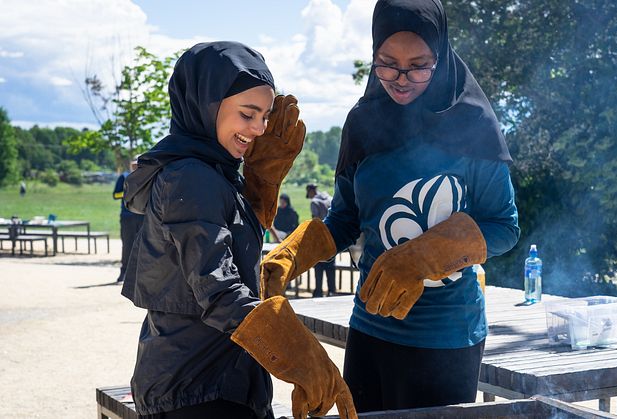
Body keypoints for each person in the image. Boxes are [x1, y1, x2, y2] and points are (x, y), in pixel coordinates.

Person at [261, 0, 519, 413]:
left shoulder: (472, 125)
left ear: (442, 55)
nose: (401, 79)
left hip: (447, 337)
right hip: (370, 327)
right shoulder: (363, 124)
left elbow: (503, 226)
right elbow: (345, 220)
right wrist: (292, 254)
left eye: (419, 65)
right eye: (386, 63)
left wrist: (424, 256)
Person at [121, 41, 356, 419]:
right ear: (206, 105)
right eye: (248, 114)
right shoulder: (190, 176)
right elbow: (220, 291)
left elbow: (232, 251)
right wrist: (301, 354)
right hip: (195, 392)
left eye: (264, 116)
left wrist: (258, 184)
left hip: (215, 380)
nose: (260, 129)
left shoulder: (213, 172)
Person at [113, 158, 144, 283]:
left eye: (138, 164)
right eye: (134, 165)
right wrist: (127, 192)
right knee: (127, 245)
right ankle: (124, 272)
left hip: (143, 215)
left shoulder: (147, 176)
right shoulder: (124, 177)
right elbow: (115, 195)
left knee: (144, 245)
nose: (136, 167)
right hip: (127, 216)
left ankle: (141, 274)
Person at [306, 183, 336, 297]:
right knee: (331, 265)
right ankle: (332, 291)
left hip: (320, 237)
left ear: (310, 191)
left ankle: (318, 291)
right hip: (333, 236)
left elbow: (316, 220)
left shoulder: (314, 202)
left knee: (318, 266)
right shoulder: (329, 197)